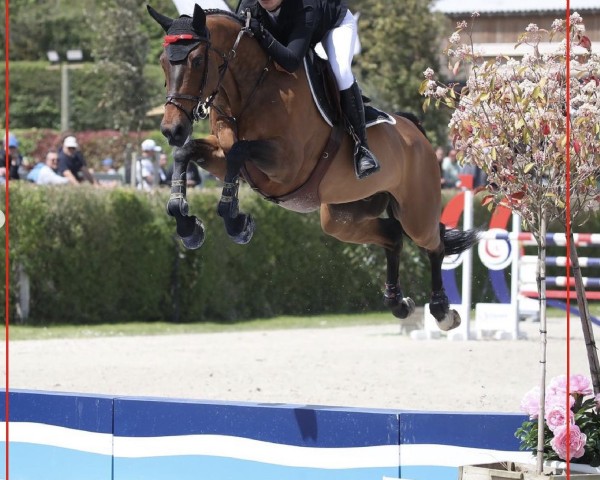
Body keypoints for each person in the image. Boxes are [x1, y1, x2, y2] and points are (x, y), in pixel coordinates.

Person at [237, 0, 379, 179]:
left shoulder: (305, 6)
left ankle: (362, 149)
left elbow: (291, 62)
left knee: (341, 72)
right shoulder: (247, 6)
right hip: (293, 30)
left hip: (332, 25)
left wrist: (263, 35)